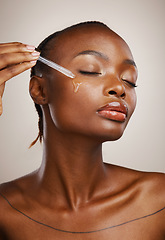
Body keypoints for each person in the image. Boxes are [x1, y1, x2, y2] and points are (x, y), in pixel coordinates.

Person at [0, 21, 164, 239]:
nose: (119, 88)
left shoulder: (159, 201)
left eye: (129, 80)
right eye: (91, 70)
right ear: (39, 90)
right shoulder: (4, 212)